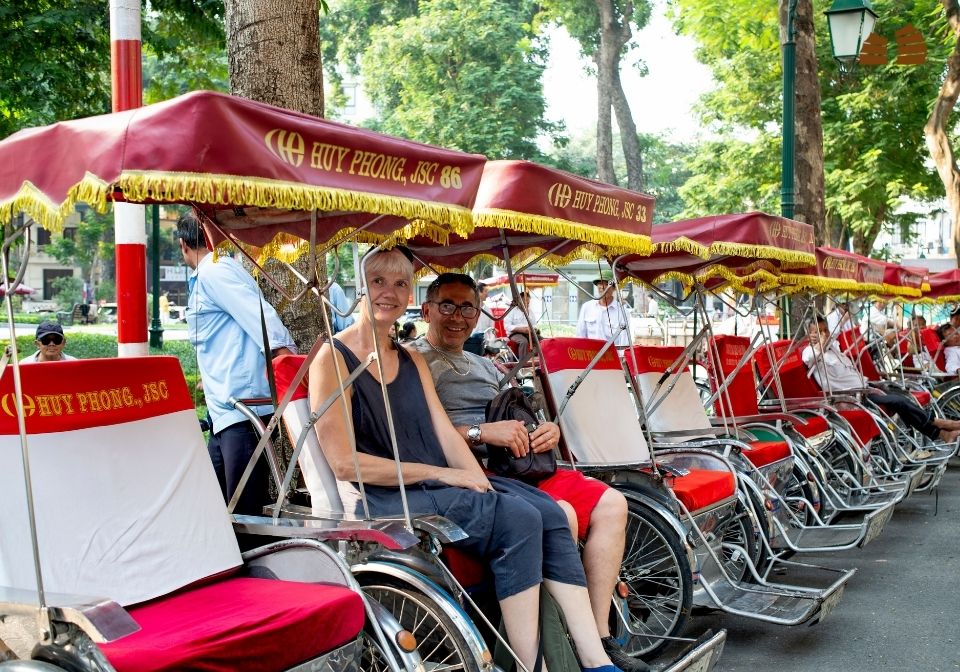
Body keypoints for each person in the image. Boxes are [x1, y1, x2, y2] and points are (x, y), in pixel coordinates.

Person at [309, 249, 620, 672]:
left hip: (436, 483)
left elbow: (442, 432)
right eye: (378, 282)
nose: (390, 292)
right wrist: (445, 473)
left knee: (543, 509)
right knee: (520, 519)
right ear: (360, 289)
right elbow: (345, 464)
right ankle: (529, 667)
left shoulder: (410, 359)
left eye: (401, 283)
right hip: (388, 494)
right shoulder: (333, 357)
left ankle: (596, 659)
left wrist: (478, 479)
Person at [410, 272, 646, 672]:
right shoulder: (415, 362)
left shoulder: (485, 365)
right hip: (470, 468)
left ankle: (599, 636)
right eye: (447, 305)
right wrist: (482, 433)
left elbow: (519, 414)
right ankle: (562, 648)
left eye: (467, 307)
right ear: (427, 309)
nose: (457, 316)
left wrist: (544, 431)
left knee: (612, 503)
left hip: (518, 462)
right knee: (563, 514)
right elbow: (420, 433)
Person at [177, 210, 296, 515]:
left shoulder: (216, 272)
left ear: (183, 245)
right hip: (223, 410)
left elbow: (261, 317)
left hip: (242, 409)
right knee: (220, 507)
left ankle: (254, 563)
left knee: (245, 508)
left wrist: (288, 363)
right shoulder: (212, 273)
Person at [803, 316, 960, 443]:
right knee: (899, 402)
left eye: (826, 330)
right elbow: (811, 357)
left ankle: (940, 432)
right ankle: (940, 425)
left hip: (867, 387)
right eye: (819, 331)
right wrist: (820, 344)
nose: (825, 334)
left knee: (903, 396)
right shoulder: (809, 352)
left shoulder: (834, 348)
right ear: (810, 334)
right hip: (853, 396)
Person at [576, 272, 631, 347]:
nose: (602, 287)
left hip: (613, 355)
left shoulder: (623, 312)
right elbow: (580, 336)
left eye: (606, 284)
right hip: (591, 355)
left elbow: (624, 341)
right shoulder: (587, 307)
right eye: (600, 284)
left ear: (614, 288)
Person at [502, 291, 539, 358]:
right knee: (523, 342)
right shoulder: (511, 310)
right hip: (515, 334)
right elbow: (507, 326)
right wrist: (520, 329)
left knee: (541, 340)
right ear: (519, 301)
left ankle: (539, 361)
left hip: (529, 333)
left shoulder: (530, 311)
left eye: (528, 302)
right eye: (525, 301)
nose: (527, 304)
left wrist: (531, 329)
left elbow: (535, 324)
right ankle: (522, 363)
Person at [463, 282, 492, 355]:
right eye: (485, 291)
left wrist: (491, 341)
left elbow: (491, 328)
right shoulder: (468, 309)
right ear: (478, 292)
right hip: (470, 343)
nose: (487, 294)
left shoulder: (488, 310)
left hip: (484, 343)